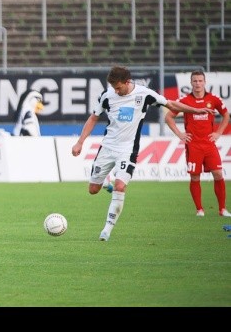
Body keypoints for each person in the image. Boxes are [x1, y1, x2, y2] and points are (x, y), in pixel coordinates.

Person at [71, 65, 214, 241]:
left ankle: (107, 230)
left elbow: (170, 104)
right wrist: (80, 142)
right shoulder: (107, 96)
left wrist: (196, 110)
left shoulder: (144, 94)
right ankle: (106, 183)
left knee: (121, 186)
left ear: (127, 82)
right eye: (113, 88)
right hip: (107, 148)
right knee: (93, 190)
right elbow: (93, 117)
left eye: (118, 87)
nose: (116, 91)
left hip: (128, 150)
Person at [164, 70, 230, 217]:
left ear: (205, 82)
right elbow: (168, 117)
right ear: (191, 83)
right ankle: (199, 209)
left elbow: (226, 115)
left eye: (200, 81)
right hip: (193, 145)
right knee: (195, 176)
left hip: (209, 144)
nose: (198, 84)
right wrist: (180, 134)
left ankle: (222, 209)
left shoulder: (214, 99)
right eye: (195, 81)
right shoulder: (185, 100)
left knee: (218, 173)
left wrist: (219, 132)